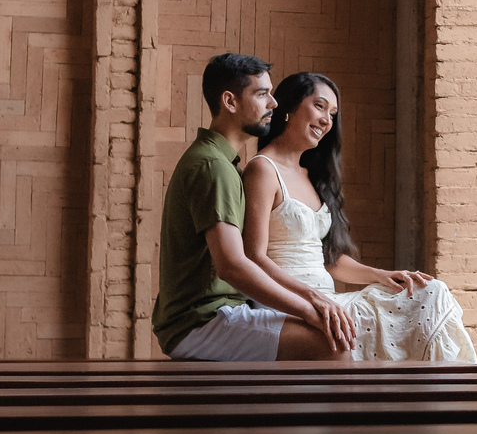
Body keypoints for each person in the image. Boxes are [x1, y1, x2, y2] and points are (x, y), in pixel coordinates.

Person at [243, 70, 477, 362]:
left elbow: (331, 261)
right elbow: (254, 257)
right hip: (291, 305)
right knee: (424, 302)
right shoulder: (263, 170)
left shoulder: (310, 176)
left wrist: (381, 275)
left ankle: (436, 395)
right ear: (290, 107)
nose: (327, 120)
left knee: (429, 292)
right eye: (319, 106)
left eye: (333, 113)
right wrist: (312, 299)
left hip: (329, 301)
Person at [151, 53, 357, 362]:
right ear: (230, 101)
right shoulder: (213, 167)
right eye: (261, 94)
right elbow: (233, 264)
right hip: (202, 322)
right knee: (334, 345)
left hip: (222, 312)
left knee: (339, 334)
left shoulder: (223, 163)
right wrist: (309, 303)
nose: (273, 103)